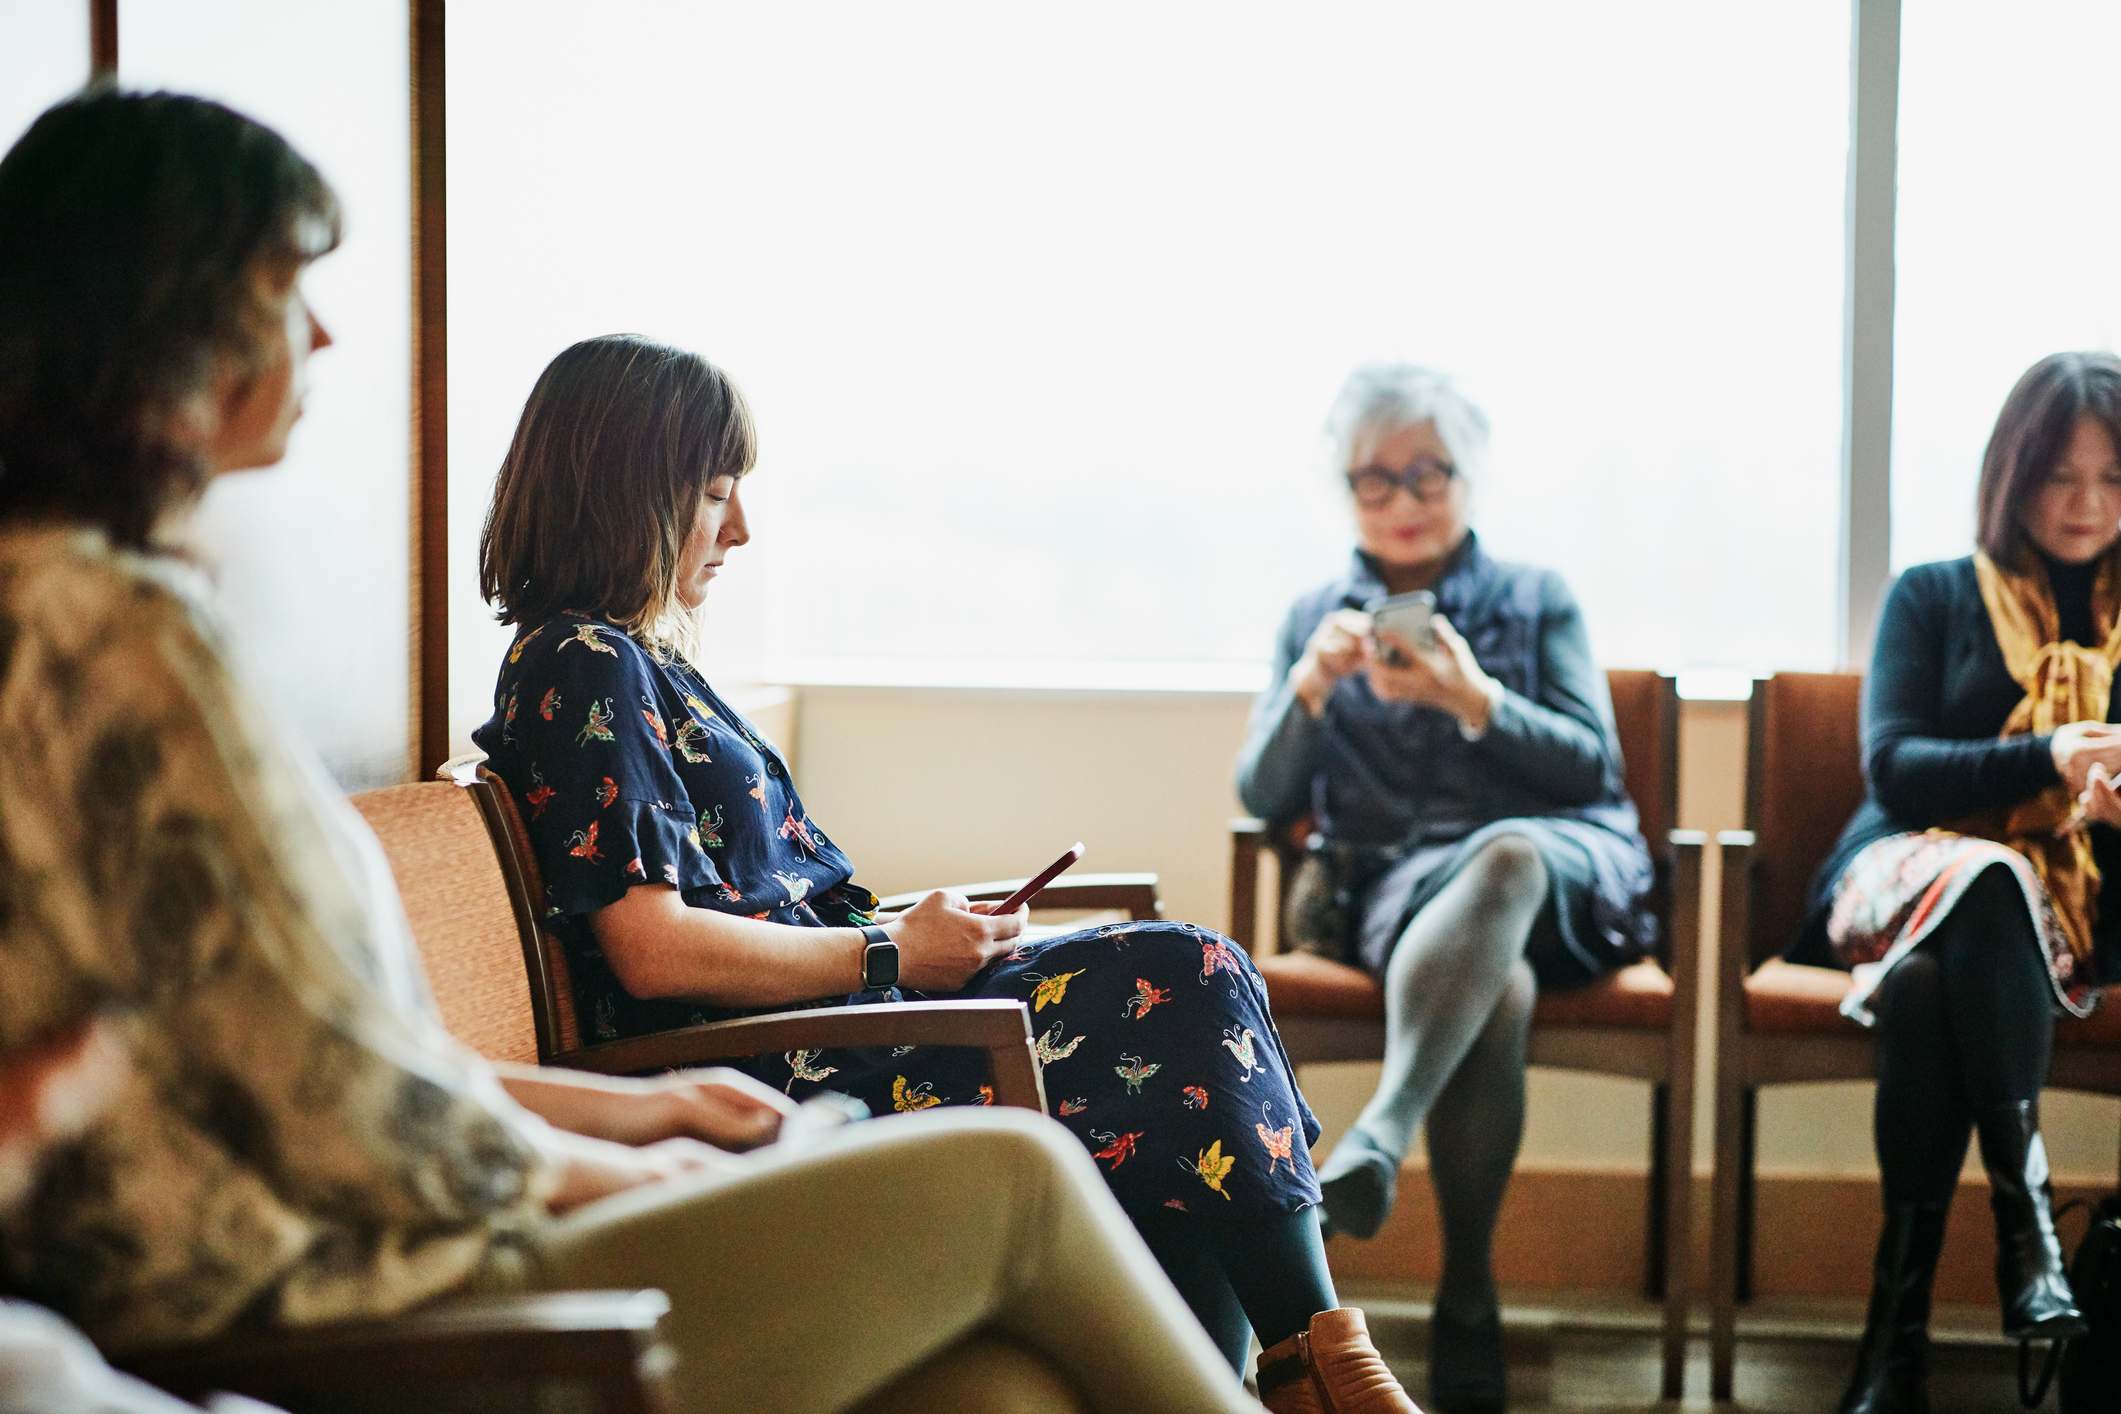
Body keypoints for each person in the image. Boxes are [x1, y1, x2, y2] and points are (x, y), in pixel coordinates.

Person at [0, 86, 1283, 1414]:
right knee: (1015, 1174)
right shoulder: (112, 640)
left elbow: (320, 1053)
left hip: (380, 1248)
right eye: (283, 285)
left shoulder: (106, 621)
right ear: (163, 319)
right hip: (343, 1299)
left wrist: (645, 1117)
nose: (321, 330)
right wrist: (635, 1163)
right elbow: (342, 1102)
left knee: (1000, 1389)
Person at [470, 332, 1421, 1412]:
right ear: (628, 491)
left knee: (1184, 1019)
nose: (740, 528)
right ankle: (1317, 1369)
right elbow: (650, 949)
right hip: (777, 1066)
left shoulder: (637, 659)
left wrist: (918, 933)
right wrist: (887, 949)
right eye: (716, 492)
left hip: (832, 1018)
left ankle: (1291, 1374)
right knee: (1188, 977)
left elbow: (738, 905)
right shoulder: (580, 665)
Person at [1235, 363, 1656, 1414]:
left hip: (1556, 871)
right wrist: (1310, 689)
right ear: (1344, 490)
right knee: (1494, 988)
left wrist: (1478, 699)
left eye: (1428, 474)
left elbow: (1591, 766)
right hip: (1403, 898)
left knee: (1507, 858)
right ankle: (1470, 1292)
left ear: (1468, 475)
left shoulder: (1534, 596)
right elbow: (1261, 792)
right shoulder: (1314, 614)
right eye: (1374, 482)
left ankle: (1377, 1132)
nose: (1405, 502)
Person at [1801, 351, 2120, 1414]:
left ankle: (1895, 1348)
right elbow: (1893, 765)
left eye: (2113, 479)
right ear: (2010, 475)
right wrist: (2049, 755)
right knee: (1989, 875)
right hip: (1897, 876)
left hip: (2051, 923)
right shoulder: (1935, 594)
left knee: (1932, 993)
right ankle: (2027, 1224)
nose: (2085, 505)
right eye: (2059, 477)